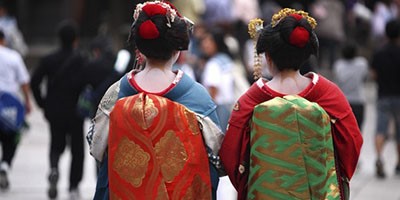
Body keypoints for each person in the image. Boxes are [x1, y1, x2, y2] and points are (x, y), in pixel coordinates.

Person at [219, 8, 363, 199]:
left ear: (268, 57)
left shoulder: (251, 100)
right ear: (306, 56)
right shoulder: (328, 94)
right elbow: (352, 144)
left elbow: (231, 155)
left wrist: (253, 183)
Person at [87, 1, 223, 199]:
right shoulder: (196, 96)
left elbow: (97, 147)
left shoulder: (116, 93)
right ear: (177, 49)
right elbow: (217, 155)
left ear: (139, 48)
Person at [30, 21, 86, 199]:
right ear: (75, 40)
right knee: (77, 150)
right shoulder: (81, 60)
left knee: (56, 144)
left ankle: (54, 169)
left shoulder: (48, 60)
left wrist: (42, 103)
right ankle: (73, 187)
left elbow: (34, 82)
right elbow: (89, 81)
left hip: (54, 110)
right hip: (75, 111)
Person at [0, 29, 31, 190]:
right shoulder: (13, 57)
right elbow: (24, 81)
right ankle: (5, 163)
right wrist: (27, 101)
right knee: (11, 137)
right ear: (3, 39)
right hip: (9, 105)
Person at [370, 18, 400, 178]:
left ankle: (379, 158)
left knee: (380, 129)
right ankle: (398, 163)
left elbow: (373, 74)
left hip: (383, 95)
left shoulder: (379, 52)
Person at [201, 28, 236, 132]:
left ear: (216, 42)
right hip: (231, 106)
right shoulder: (227, 60)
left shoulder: (213, 64)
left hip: (218, 108)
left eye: (208, 41)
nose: (205, 44)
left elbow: (213, 89)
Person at [333, 42, 368, 130]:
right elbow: (364, 78)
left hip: (343, 101)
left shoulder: (338, 65)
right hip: (358, 101)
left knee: (343, 130)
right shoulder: (362, 64)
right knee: (358, 130)